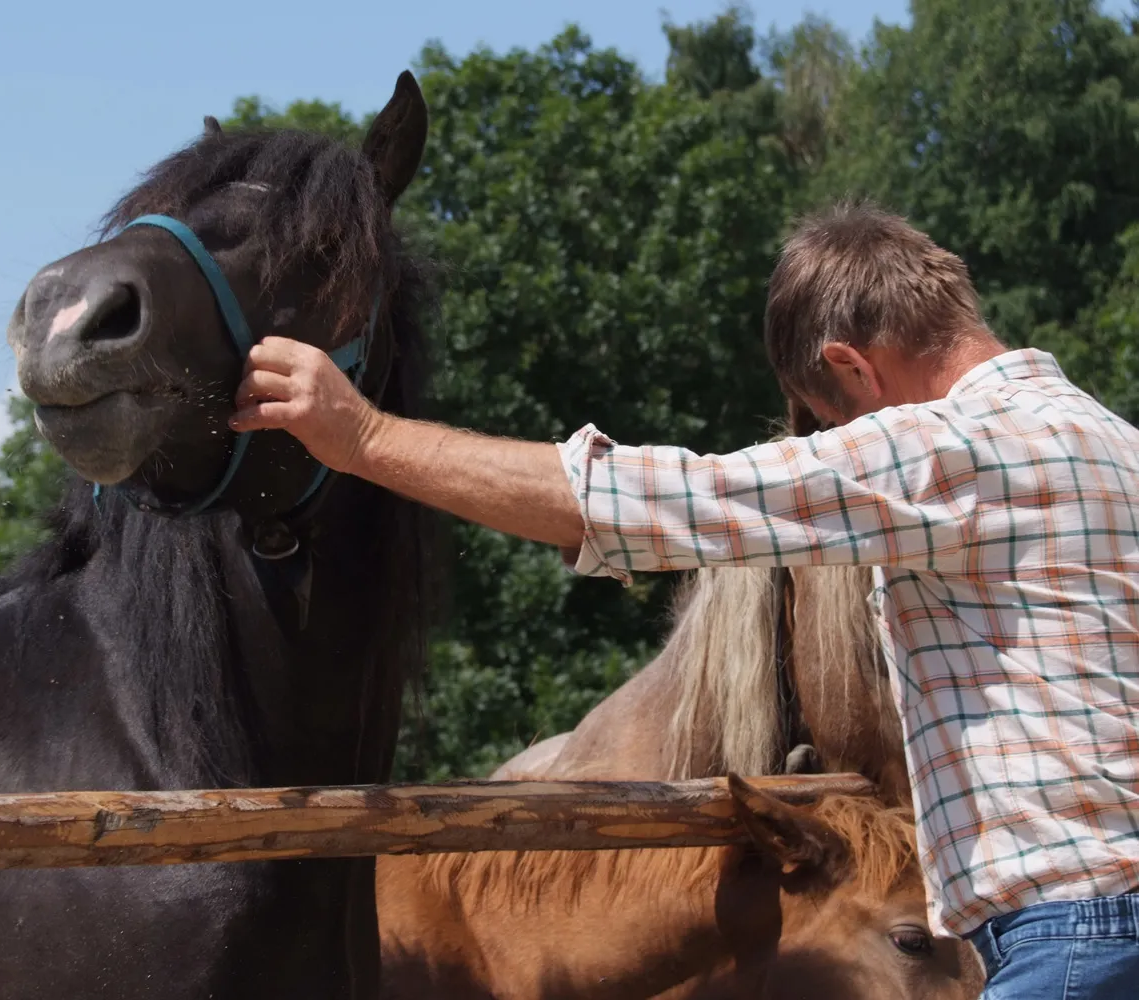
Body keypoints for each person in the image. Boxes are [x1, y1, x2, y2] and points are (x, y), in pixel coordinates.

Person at [229, 201, 1139, 999]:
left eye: (831, 423)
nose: (844, 442)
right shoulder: (1117, 448)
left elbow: (656, 504)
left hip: (1068, 940)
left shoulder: (944, 449)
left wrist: (361, 435)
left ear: (853, 371)